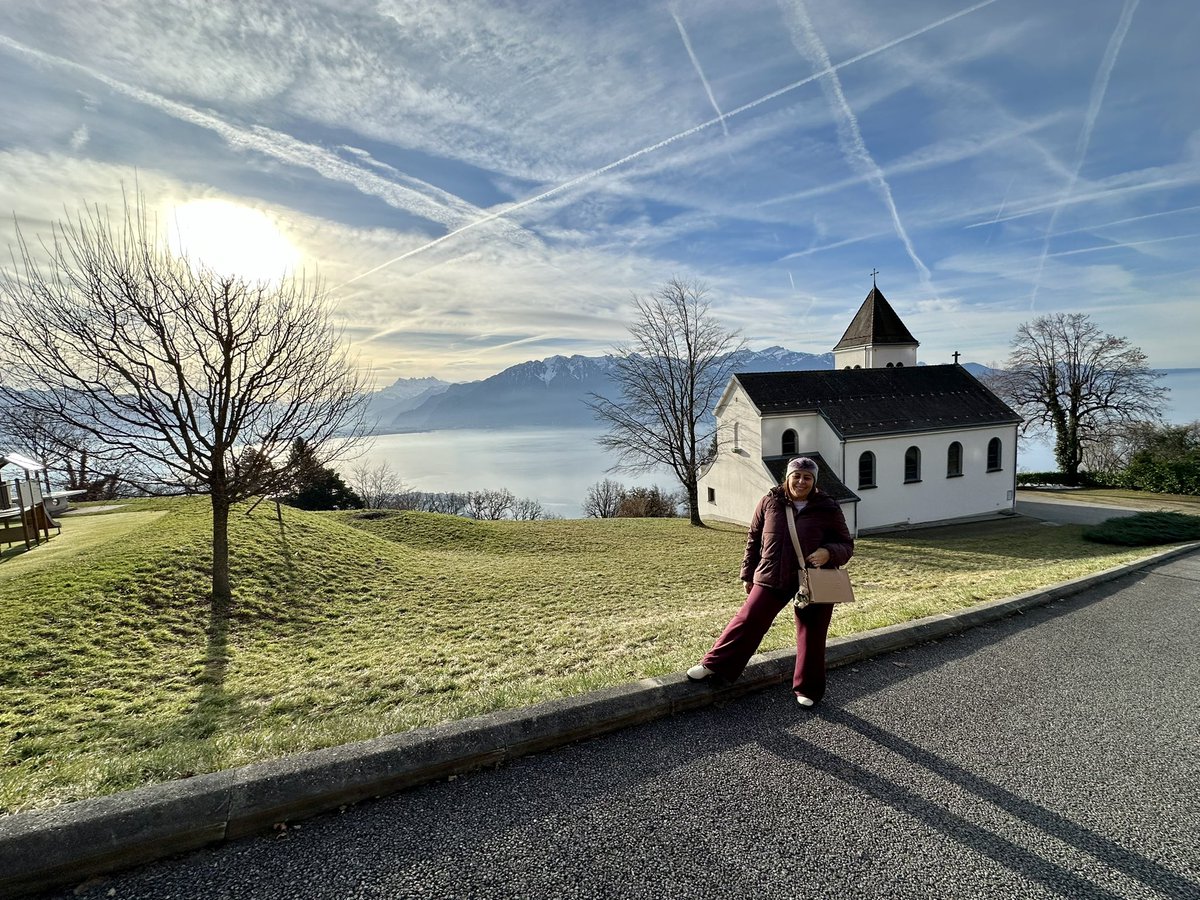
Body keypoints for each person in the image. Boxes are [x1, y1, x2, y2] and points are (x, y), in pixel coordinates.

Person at [687, 456, 854, 707]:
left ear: (814, 481)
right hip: (772, 573)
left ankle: (808, 689)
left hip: (815, 578)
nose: (801, 481)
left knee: (813, 634)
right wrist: (747, 574)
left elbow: (846, 544)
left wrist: (829, 552)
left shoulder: (828, 507)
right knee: (748, 620)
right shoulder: (770, 501)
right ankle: (714, 664)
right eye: (796, 476)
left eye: (807, 477)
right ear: (787, 478)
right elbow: (753, 539)